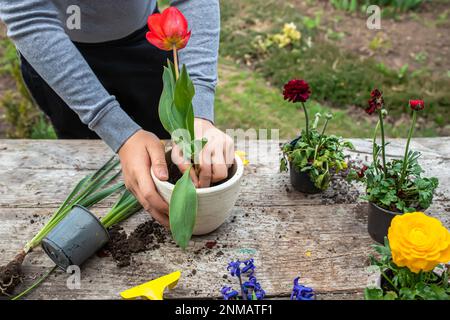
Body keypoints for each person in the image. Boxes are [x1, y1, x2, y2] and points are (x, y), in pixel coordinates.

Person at [0, 0, 234, 227]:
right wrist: (115, 129)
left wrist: (198, 111)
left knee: (167, 149)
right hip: (57, 57)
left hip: (145, 41)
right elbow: (26, 13)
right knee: (89, 163)